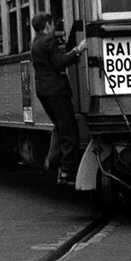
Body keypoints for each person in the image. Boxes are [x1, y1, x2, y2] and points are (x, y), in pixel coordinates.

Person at [29, 13, 87, 186]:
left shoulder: (34, 43)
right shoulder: (49, 41)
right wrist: (78, 50)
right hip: (56, 90)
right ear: (48, 24)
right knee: (69, 129)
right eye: (53, 24)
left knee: (60, 127)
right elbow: (59, 63)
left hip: (43, 90)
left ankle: (54, 161)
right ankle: (67, 172)